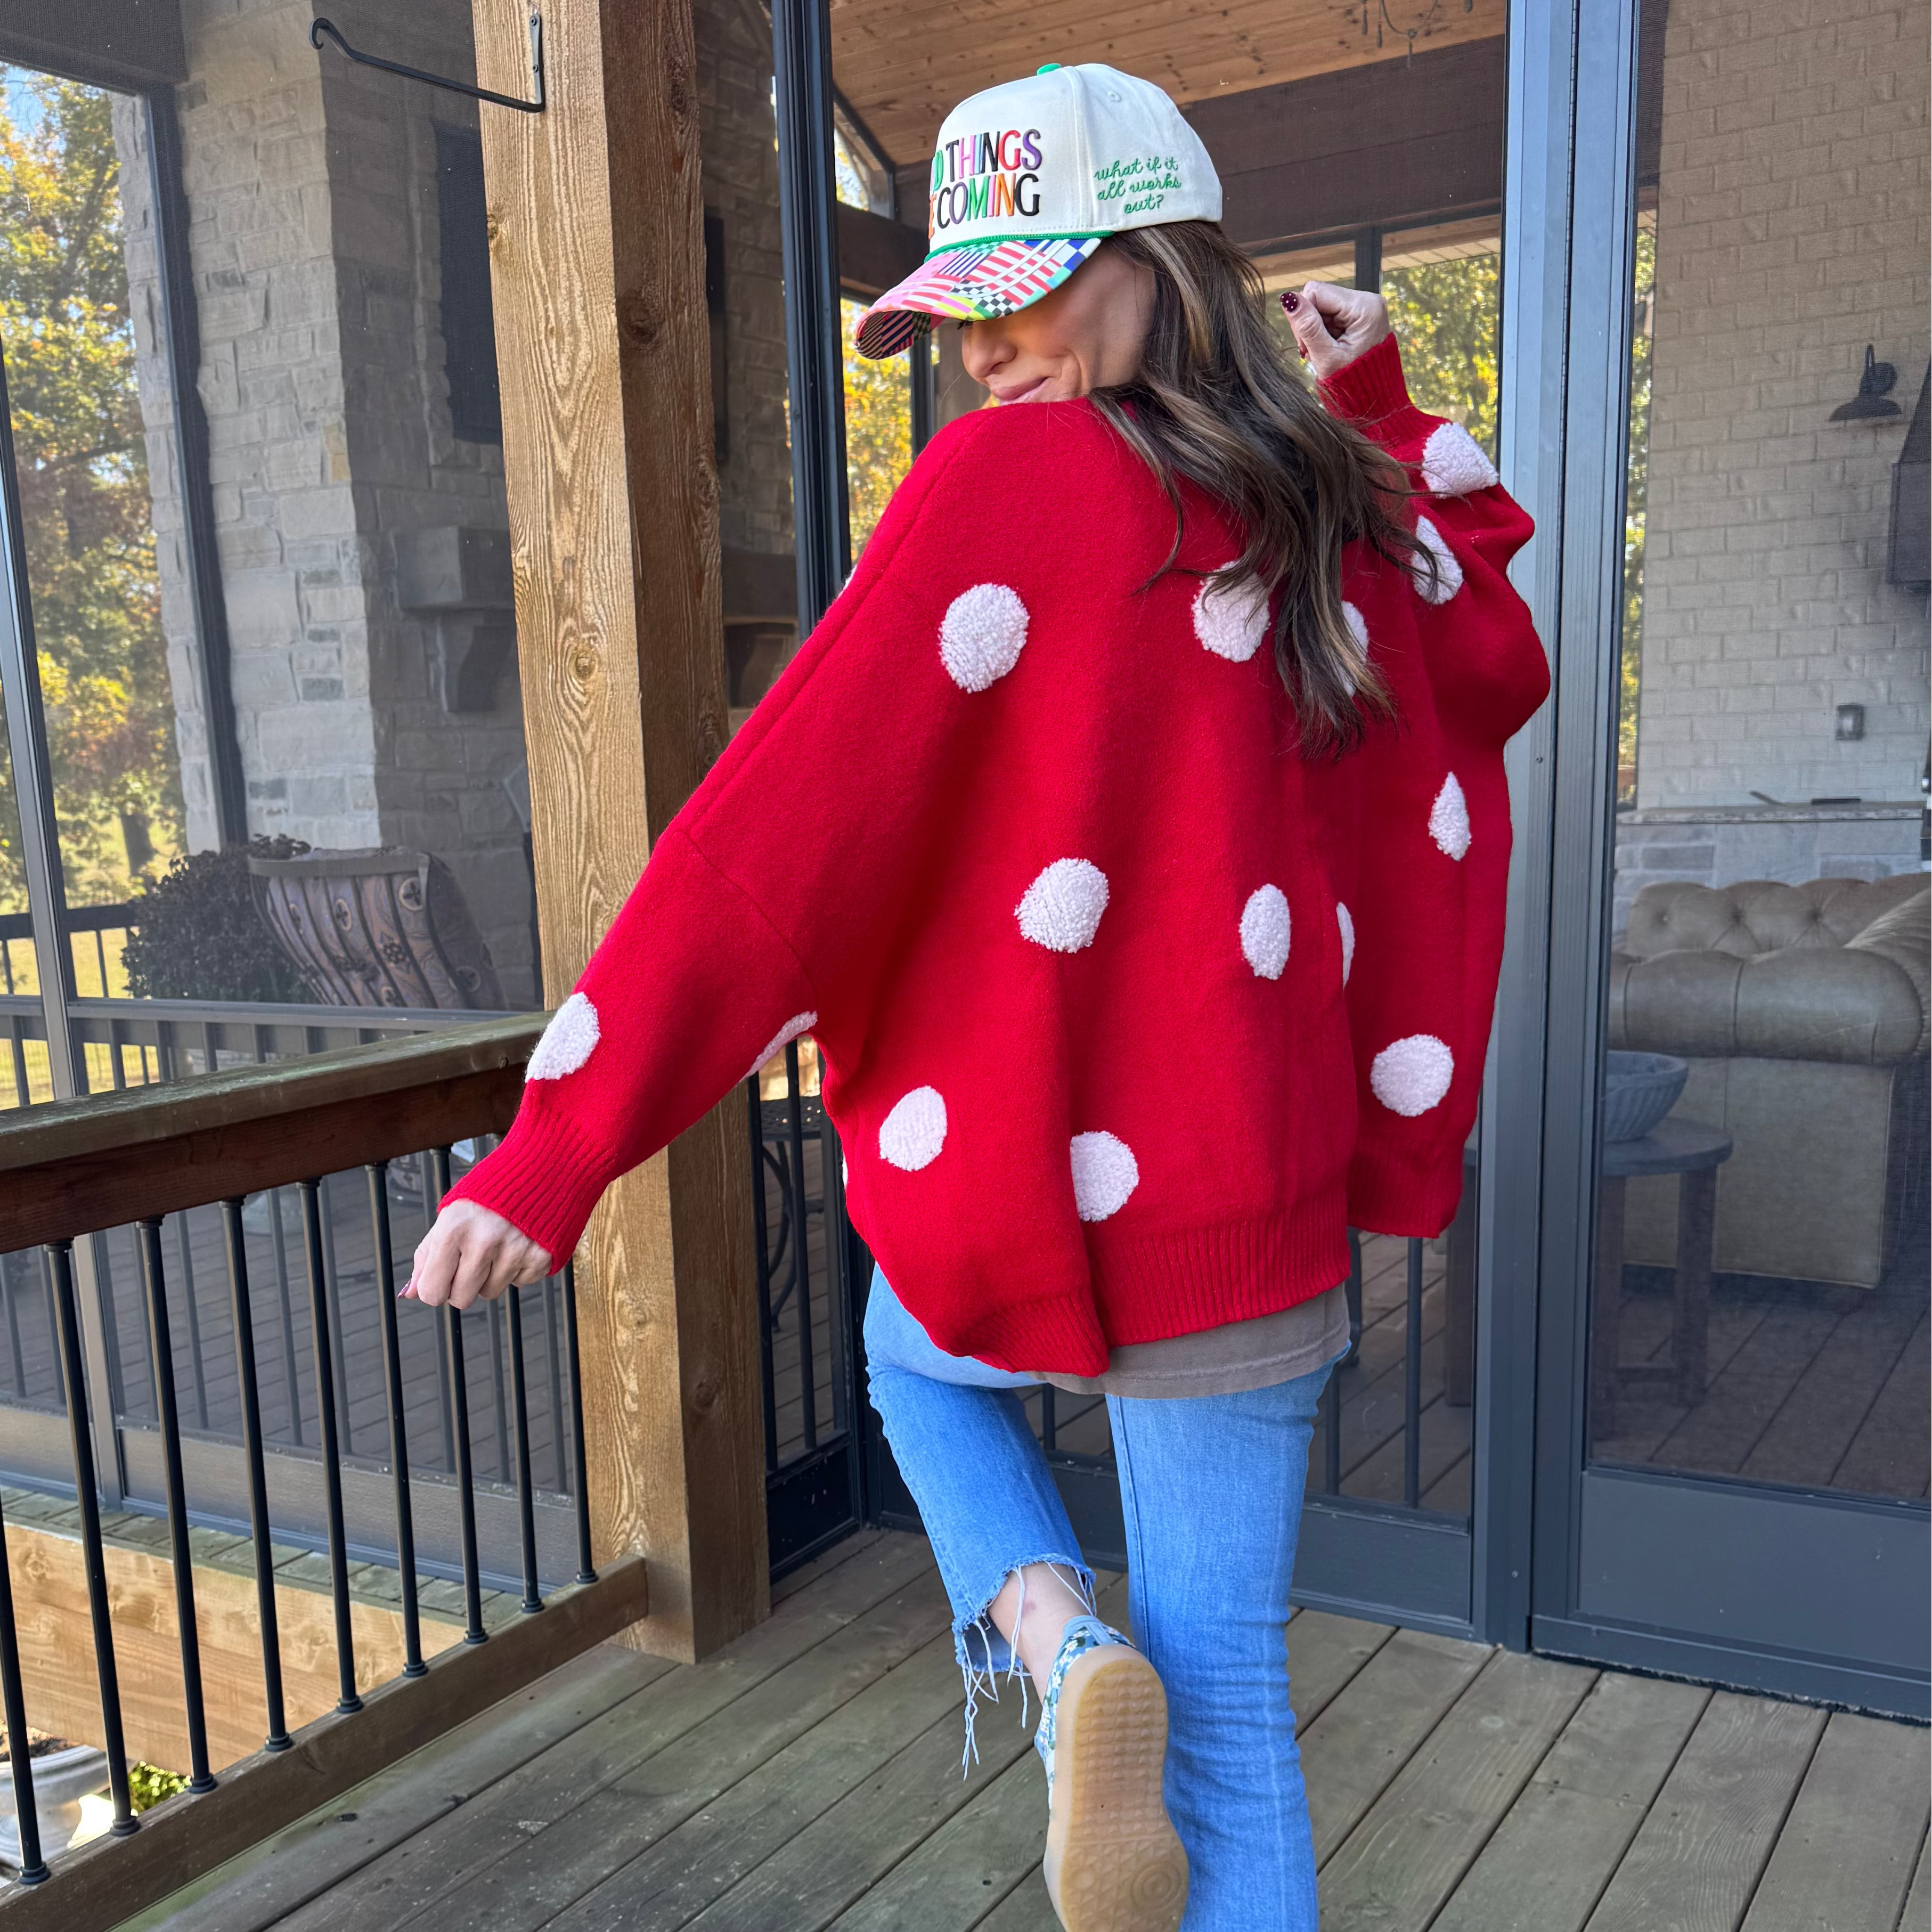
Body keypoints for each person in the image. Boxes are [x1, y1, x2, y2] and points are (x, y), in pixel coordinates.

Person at [406, 60, 1548, 1932]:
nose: (987, 352)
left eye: (1029, 294)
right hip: (1257, 1227)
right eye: (963, 313)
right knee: (1242, 1721)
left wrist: (560, 1144)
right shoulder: (1336, 509)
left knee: (903, 1365)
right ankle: (1088, 1654)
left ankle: (1047, 1630)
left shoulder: (1016, 487)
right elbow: (1495, 645)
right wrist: (1383, 399)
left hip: (1033, 1183)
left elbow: (772, 840)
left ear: (1164, 267)